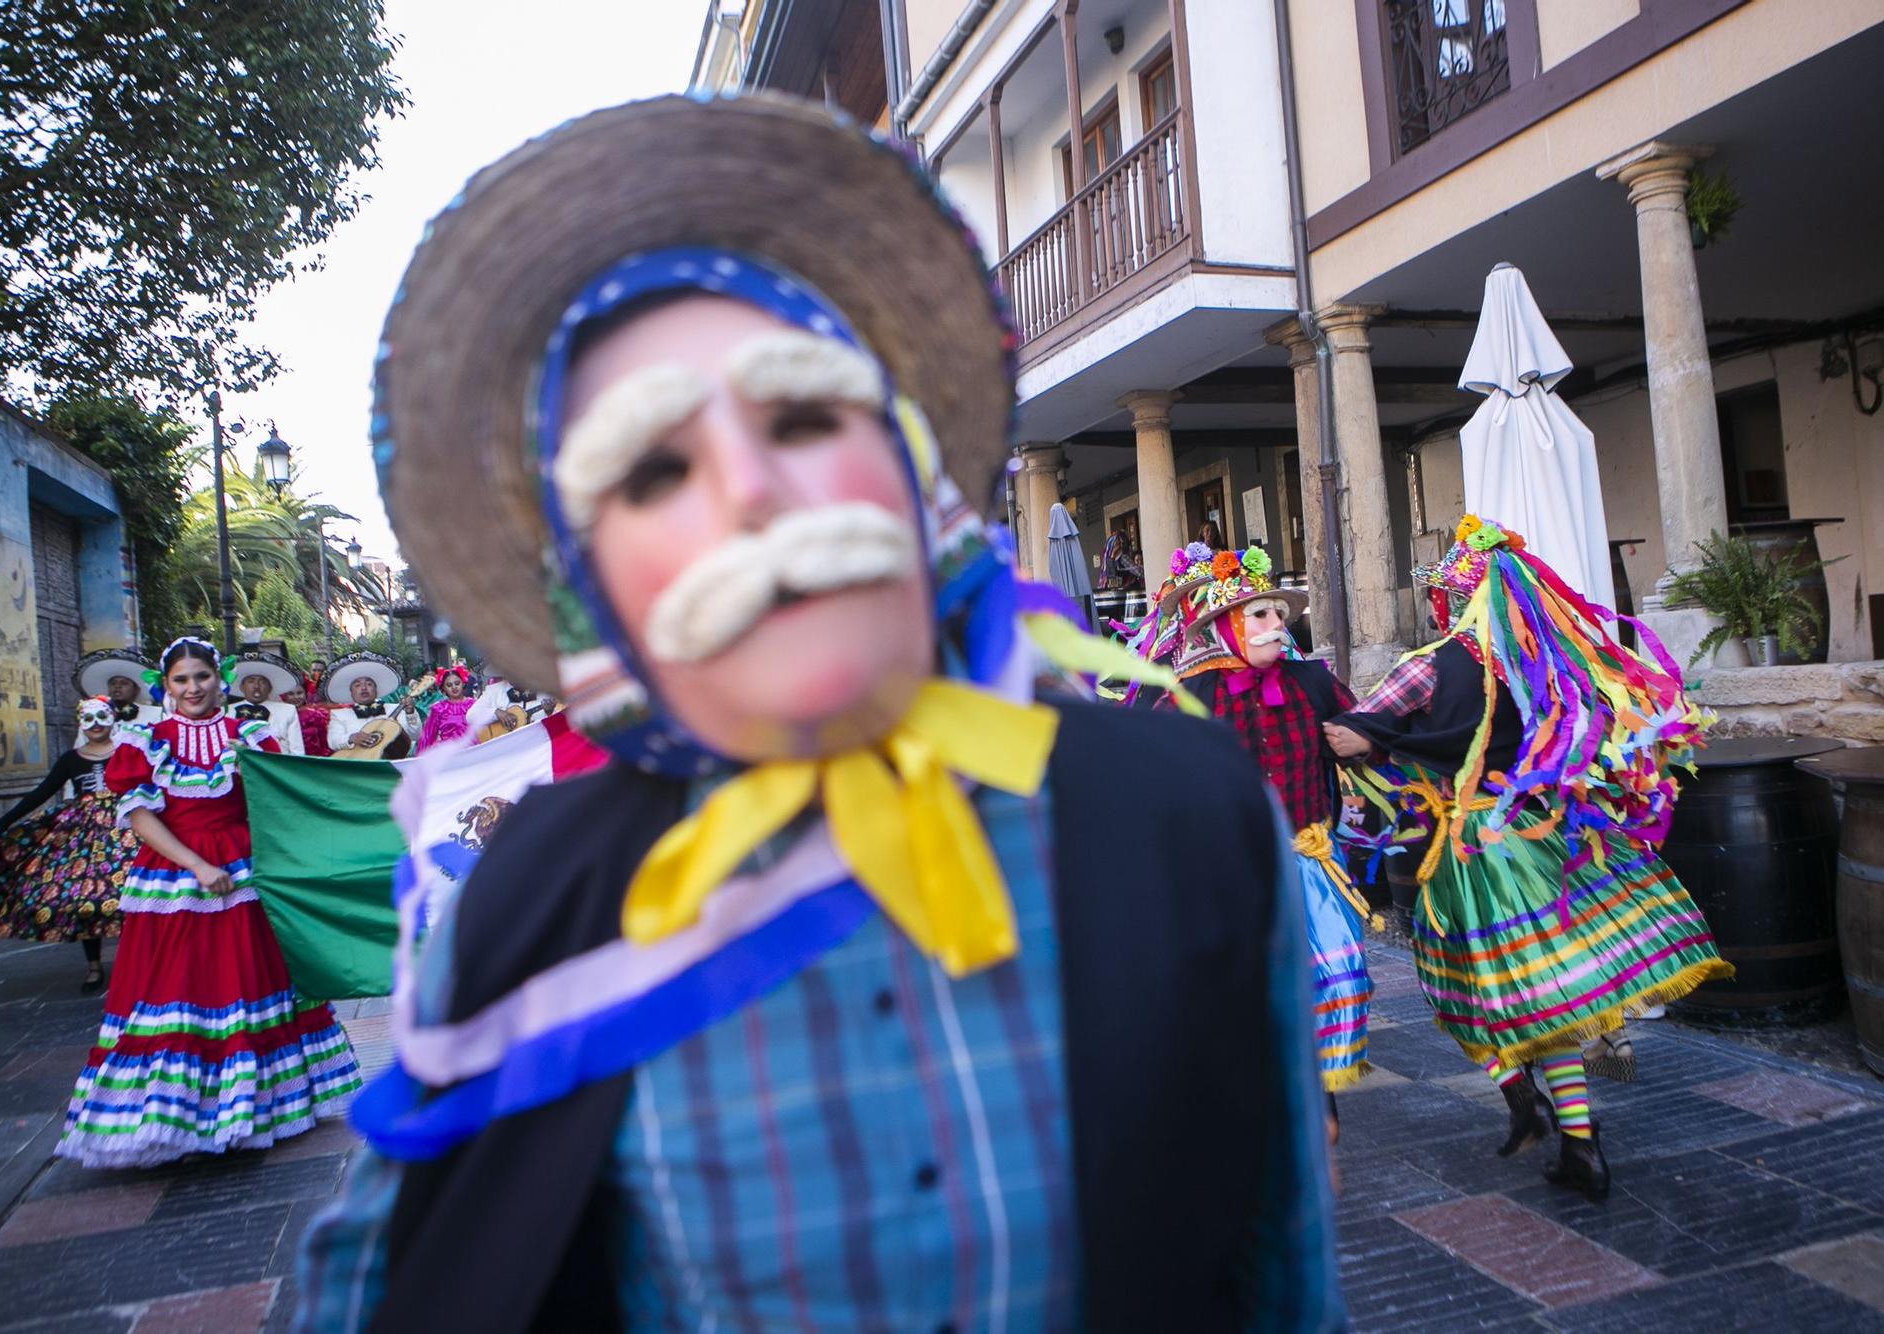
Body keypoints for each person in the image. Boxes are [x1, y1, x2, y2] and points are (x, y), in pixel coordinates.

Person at [298, 94, 1340, 1332]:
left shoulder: (1189, 806)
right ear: (596, 590)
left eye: (799, 415)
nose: (750, 490)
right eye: (653, 469)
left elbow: (1281, 1277)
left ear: (908, 474)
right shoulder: (528, 913)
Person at [1322, 515, 1733, 1202]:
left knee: (1466, 990)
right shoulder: (1543, 669)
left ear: (1452, 601)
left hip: (1476, 852)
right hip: (1551, 843)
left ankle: (1524, 1100)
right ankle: (1578, 1141)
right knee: (1546, 1004)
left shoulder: (1426, 668)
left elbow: (1350, 738)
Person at [58, 637, 361, 1167]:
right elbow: (139, 816)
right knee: (179, 988)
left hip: (245, 873)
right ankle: (175, 1119)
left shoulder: (248, 732)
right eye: (181, 680)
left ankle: (249, 1110)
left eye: (201, 677)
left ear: (218, 679)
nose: (193, 688)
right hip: (175, 882)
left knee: (248, 984)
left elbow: (279, 800)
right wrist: (196, 865)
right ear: (166, 686)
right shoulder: (145, 737)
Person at [1148, 544, 1374, 1119]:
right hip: (1232, 872)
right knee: (1249, 991)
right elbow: (1148, 768)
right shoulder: (1192, 692)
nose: (1278, 625)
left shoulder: (1314, 681)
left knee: (1336, 980)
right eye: (1261, 615)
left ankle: (1322, 1105)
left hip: (1310, 860)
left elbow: (1363, 732)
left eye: (1278, 614)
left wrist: (1364, 739)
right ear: (1228, 626)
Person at [0, 696, 135, 991]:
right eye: (89, 719)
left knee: (131, 893)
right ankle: (94, 966)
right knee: (81, 897)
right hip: (82, 835)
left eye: (102, 717)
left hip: (127, 827)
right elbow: (42, 792)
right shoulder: (70, 760)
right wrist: (6, 821)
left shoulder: (129, 751)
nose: (96, 725)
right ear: (80, 723)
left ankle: (135, 961)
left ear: (112, 719)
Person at [325, 652, 414, 758]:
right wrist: (351, 738)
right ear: (351, 693)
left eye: (369, 684)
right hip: (355, 765)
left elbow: (414, 735)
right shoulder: (339, 715)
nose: (363, 688)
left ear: (376, 689)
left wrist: (410, 713)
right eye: (357, 685)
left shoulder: (395, 708)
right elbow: (333, 741)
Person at [228, 652, 307, 755]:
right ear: (242, 687)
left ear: (270, 688)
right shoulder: (227, 711)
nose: (256, 686)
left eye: (262, 682)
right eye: (251, 681)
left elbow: (297, 752)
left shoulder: (287, 710)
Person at [74, 649, 163, 726]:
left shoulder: (155, 714)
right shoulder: (91, 714)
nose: (117, 686)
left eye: (124, 683)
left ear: (136, 689)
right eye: (113, 683)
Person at [414, 664, 474, 748]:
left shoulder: (474, 704)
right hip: (449, 755)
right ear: (444, 688)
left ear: (463, 683)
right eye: (449, 685)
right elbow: (427, 737)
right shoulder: (438, 709)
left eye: (457, 683)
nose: (454, 687)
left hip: (474, 753)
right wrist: (420, 759)